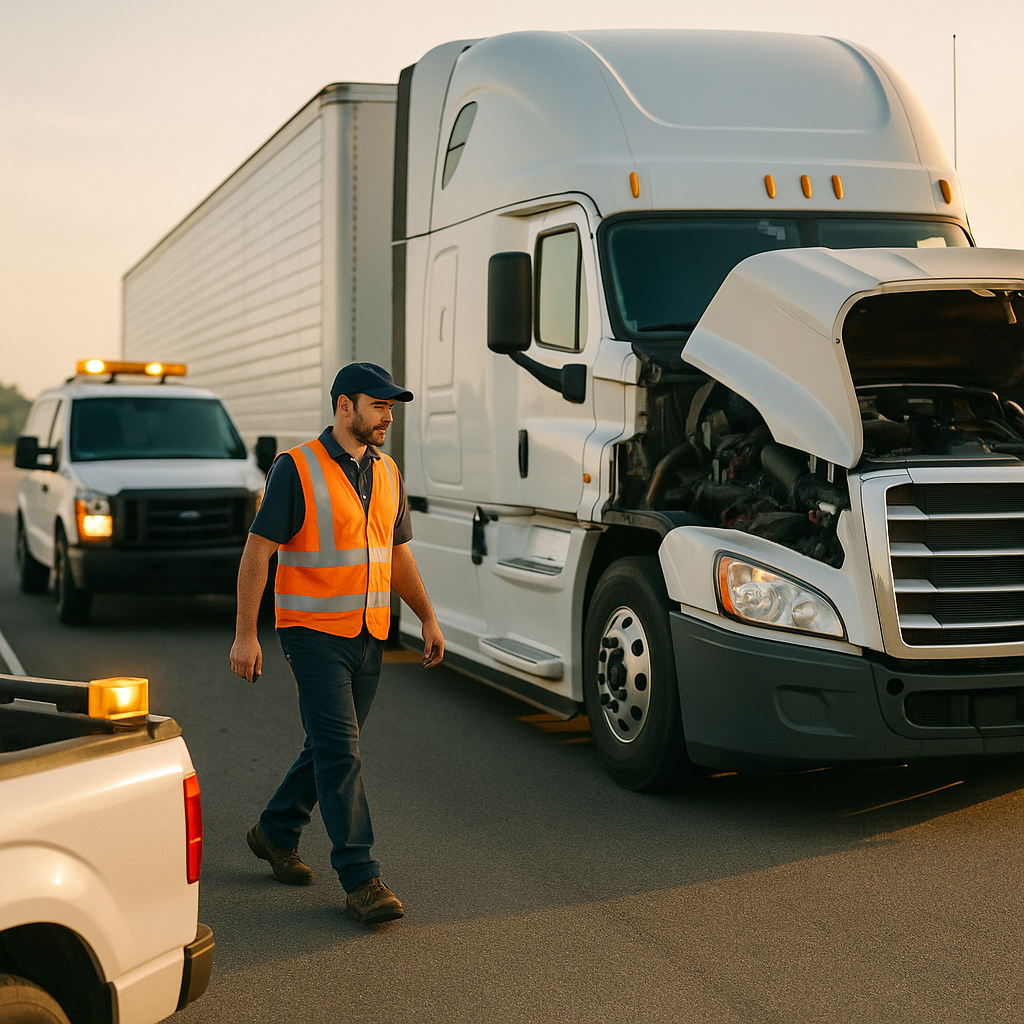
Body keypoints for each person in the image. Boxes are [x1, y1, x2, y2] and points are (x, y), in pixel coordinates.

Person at [229, 362, 444, 925]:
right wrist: (246, 634)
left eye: (391, 408)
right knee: (341, 751)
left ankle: (275, 831)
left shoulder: (388, 471)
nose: (388, 417)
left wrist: (426, 617)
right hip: (311, 633)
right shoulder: (296, 468)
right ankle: (361, 877)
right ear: (345, 406)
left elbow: (397, 553)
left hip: (369, 632)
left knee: (329, 747)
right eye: (379, 406)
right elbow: (258, 552)